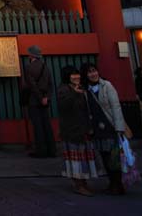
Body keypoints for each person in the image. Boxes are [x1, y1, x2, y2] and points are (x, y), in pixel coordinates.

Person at [81, 62, 128, 195]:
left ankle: (117, 184)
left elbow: (116, 106)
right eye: (89, 72)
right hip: (96, 127)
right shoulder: (85, 90)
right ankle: (112, 182)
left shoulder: (107, 86)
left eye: (94, 71)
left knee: (113, 157)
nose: (93, 74)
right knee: (104, 155)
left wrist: (119, 127)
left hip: (109, 125)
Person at [57, 65, 98, 196]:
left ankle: (83, 182)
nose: (77, 77)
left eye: (77, 74)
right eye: (73, 75)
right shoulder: (64, 90)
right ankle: (78, 184)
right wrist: (74, 93)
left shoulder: (82, 88)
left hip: (83, 128)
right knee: (76, 158)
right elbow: (63, 106)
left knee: (83, 157)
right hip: (72, 129)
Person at [20, 45, 55, 158]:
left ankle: (41, 150)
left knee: (37, 126)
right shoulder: (46, 67)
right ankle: (51, 149)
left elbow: (32, 85)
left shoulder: (29, 67)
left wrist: (40, 98)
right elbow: (50, 84)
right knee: (47, 125)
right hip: (45, 100)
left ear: (31, 55)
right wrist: (46, 98)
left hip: (34, 100)